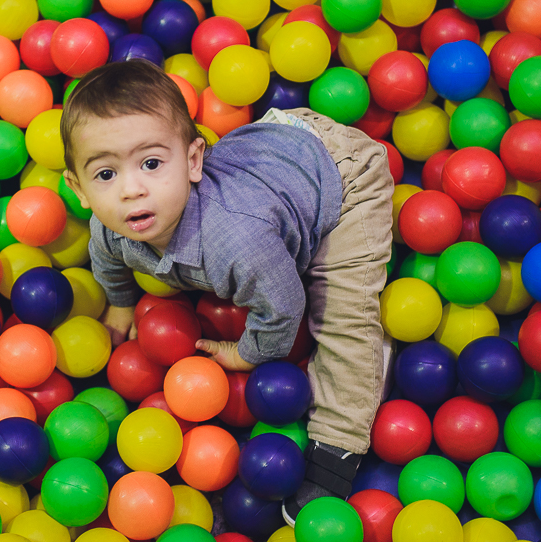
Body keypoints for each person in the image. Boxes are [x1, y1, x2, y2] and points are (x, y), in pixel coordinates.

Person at [61, 59, 395, 522]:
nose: (131, 190)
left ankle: (337, 445)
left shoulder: (237, 241)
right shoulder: (110, 226)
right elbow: (107, 258)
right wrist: (120, 305)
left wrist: (246, 355)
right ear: (78, 189)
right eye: (105, 175)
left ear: (195, 160)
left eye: (152, 163)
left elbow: (284, 308)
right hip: (272, 155)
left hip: (339, 174)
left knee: (341, 315)